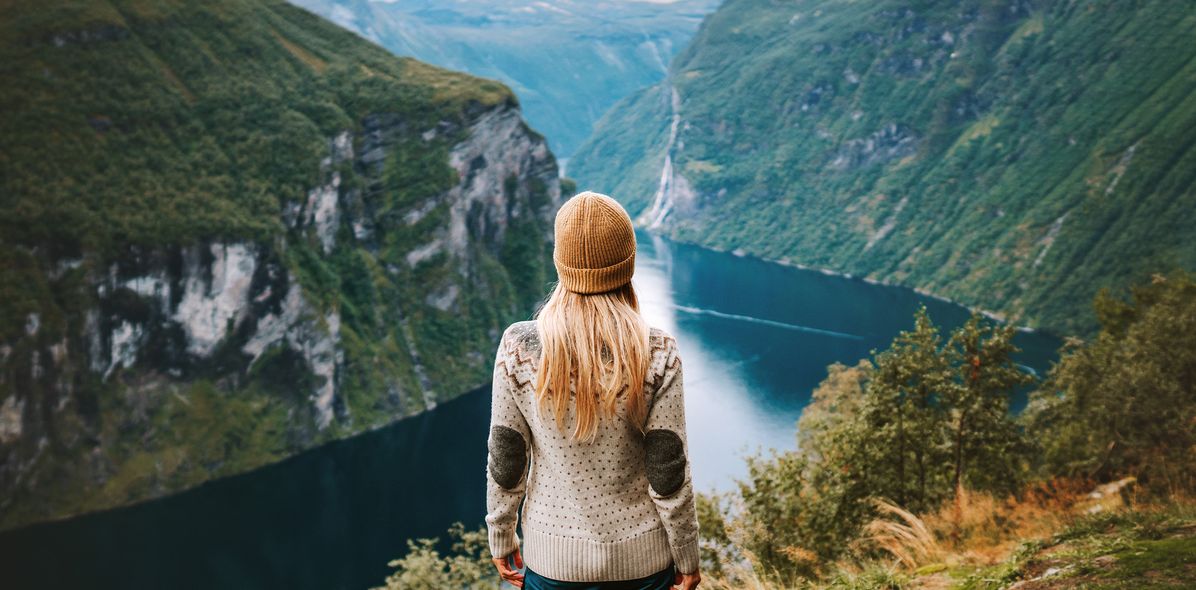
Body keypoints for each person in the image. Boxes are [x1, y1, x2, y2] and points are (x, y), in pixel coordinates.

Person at [485, 191, 702, 590]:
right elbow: (668, 471)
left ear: (561, 262)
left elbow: (507, 456)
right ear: (629, 263)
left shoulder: (520, 347)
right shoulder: (657, 352)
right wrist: (687, 557)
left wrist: (501, 535)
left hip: (554, 566)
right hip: (643, 566)